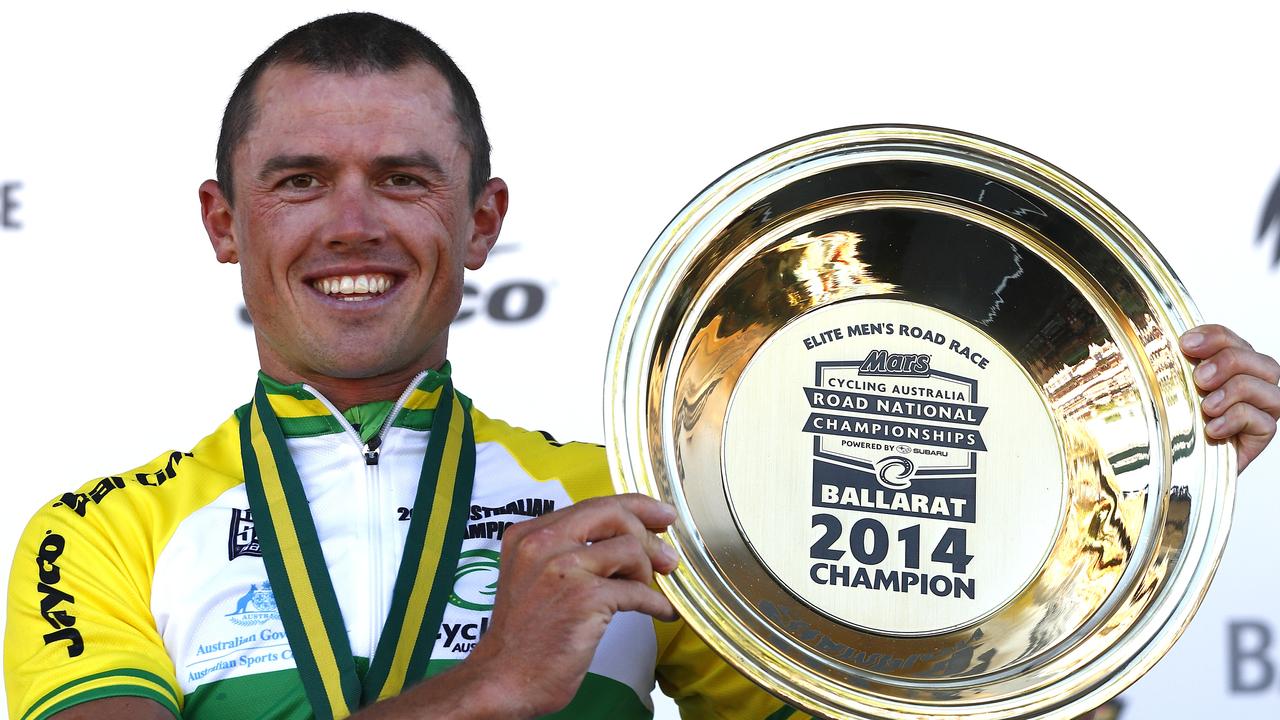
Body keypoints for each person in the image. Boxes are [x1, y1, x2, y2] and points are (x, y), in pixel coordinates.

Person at [5, 12, 1278, 720]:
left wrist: (1098, 555)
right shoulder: (97, 535)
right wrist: (501, 681)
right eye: (298, 183)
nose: (353, 226)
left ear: (481, 220)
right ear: (225, 223)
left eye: (403, 180)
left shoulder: (630, 507)